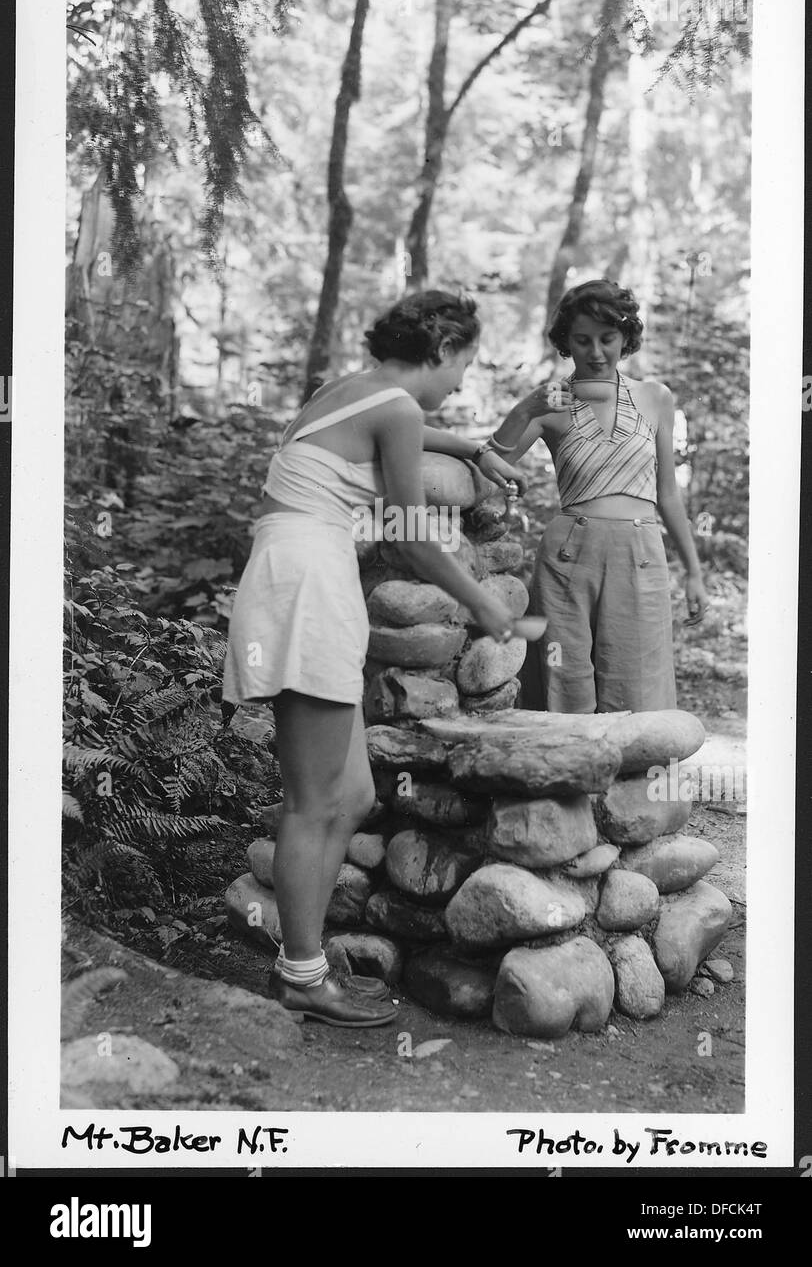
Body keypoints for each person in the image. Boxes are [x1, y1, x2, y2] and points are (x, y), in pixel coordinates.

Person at [223, 291, 526, 1027]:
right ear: (444, 349)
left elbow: (414, 434)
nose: (460, 381)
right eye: (463, 365)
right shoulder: (397, 408)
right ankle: (302, 973)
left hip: (291, 572)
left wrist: (471, 447)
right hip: (308, 581)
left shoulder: (349, 391)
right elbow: (414, 533)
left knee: (351, 794)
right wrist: (481, 603)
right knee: (314, 801)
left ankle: (306, 962)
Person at [480, 278, 708, 714]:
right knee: (564, 681)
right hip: (569, 557)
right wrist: (526, 408)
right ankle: (566, 780)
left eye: (607, 339)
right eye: (582, 341)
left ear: (626, 338)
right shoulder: (551, 402)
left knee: (637, 688)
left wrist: (693, 573)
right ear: (567, 342)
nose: (596, 352)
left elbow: (668, 495)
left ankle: (631, 783)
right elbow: (492, 458)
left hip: (641, 553)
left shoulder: (655, 397)